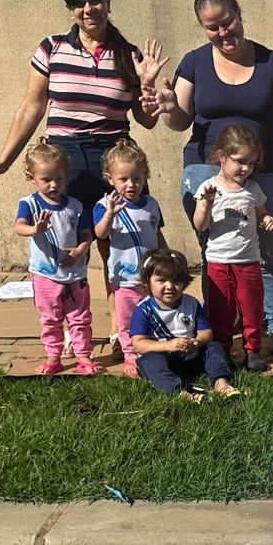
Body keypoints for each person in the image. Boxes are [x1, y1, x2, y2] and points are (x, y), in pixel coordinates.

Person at [0, 0, 166, 355]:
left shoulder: (129, 55)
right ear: (70, 9)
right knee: (67, 244)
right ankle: (69, 333)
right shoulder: (51, 48)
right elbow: (31, 107)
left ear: (108, 2)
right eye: (79, 3)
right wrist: (5, 158)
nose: (88, 9)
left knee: (119, 248)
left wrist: (148, 88)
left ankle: (123, 332)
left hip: (114, 157)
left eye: (95, 0)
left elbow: (145, 119)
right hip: (65, 160)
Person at [143, 0, 273, 341]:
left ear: (239, 15)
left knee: (265, 252)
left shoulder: (272, 62)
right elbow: (179, 120)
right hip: (206, 171)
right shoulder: (194, 63)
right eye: (212, 27)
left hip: (263, 172)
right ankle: (222, 325)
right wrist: (167, 106)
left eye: (227, 22)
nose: (223, 32)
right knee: (216, 253)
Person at [190, 125, 273, 372]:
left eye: (251, 163)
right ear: (222, 157)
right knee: (221, 311)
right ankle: (222, 351)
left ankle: (253, 352)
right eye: (240, 161)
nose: (246, 168)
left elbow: (261, 212)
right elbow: (200, 225)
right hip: (218, 262)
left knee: (252, 308)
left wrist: (267, 219)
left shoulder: (252, 189)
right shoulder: (208, 188)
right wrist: (205, 205)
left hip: (248, 261)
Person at [12, 140, 98, 376]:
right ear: (32, 178)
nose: (53, 185)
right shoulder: (29, 204)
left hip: (75, 274)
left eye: (59, 179)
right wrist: (35, 229)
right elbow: (19, 226)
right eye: (46, 179)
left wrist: (81, 250)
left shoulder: (75, 206)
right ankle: (53, 356)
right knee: (50, 319)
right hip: (46, 276)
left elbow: (86, 234)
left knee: (80, 317)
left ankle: (84, 356)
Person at [92, 139, 167, 377]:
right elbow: (100, 234)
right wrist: (110, 214)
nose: (131, 184)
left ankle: (153, 350)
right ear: (110, 178)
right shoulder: (104, 205)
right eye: (123, 179)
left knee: (154, 314)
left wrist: (167, 257)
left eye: (137, 178)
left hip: (151, 277)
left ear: (145, 177)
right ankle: (130, 354)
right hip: (124, 279)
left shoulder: (151, 204)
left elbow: (157, 234)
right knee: (127, 320)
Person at [128, 249, 239, 400]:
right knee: (149, 361)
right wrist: (168, 345)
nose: (169, 286)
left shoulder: (191, 303)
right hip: (164, 358)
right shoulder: (143, 309)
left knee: (214, 347)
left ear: (184, 282)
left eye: (176, 281)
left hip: (190, 356)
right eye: (161, 280)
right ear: (148, 282)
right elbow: (138, 344)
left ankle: (222, 383)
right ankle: (180, 393)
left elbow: (206, 332)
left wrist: (197, 342)